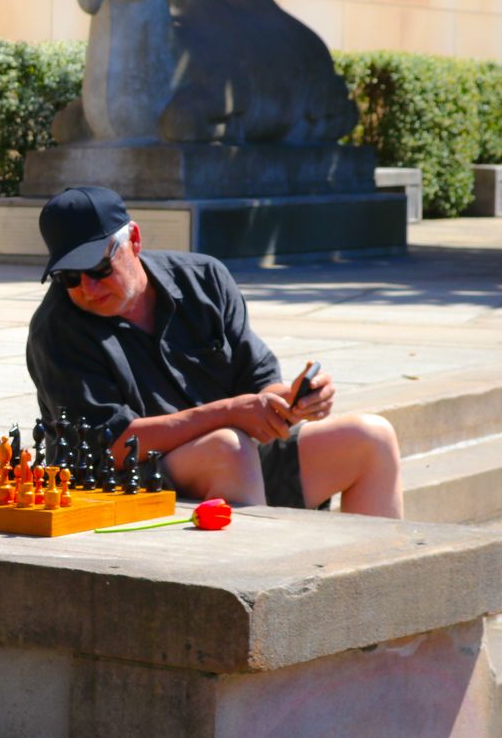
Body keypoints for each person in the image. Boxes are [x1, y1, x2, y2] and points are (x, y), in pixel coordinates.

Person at [25, 186, 402, 519]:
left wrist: (292, 402)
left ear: (134, 240)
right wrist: (227, 412)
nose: (87, 288)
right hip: (128, 483)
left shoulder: (204, 279)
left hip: (237, 464)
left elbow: (259, 382)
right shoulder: (57, 328)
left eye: (98, 268)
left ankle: (381, 577)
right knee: (228, 447)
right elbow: (110, 444)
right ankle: (262, 572)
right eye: (68, 276)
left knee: (371, 437)